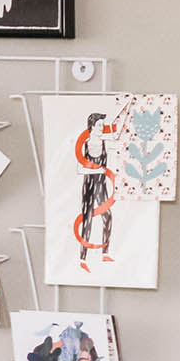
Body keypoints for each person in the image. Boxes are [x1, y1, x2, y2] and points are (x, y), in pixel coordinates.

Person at [73, 112, 116, 270]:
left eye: (102, 125)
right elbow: (80, 169)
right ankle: (82, 258)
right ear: (91, 126)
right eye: (99, 125)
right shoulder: (85, 145)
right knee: (87, 219)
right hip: (89, 186)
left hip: (101, 186)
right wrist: (98, 170)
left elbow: (118, 141)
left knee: (107, 216)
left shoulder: (105, 143)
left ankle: (105, 253)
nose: (102, 128)